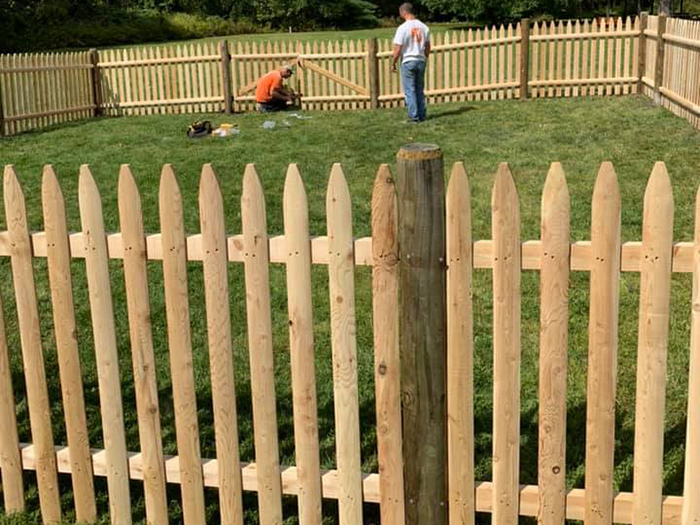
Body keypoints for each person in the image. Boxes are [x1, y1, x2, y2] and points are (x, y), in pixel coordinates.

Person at [391, 3, 431, 122]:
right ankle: (422, 114)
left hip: (408, 61)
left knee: (410, 90)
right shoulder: (424, 27)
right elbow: (428, 46)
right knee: (419, 89)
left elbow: (398, 48)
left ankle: (413, 116)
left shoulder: (402, 28)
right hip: (420, 60)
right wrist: (425, 57)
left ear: (403, 12)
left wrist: (393, 62)